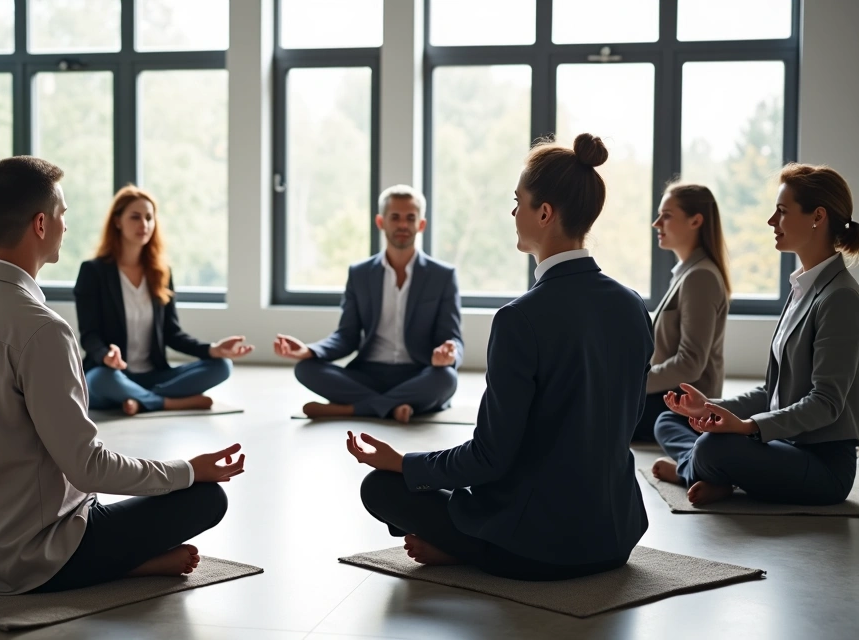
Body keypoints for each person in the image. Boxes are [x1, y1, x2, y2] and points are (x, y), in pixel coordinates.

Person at [0, 156, 245, 595]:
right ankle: (124, 566)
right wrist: (188, 470)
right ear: (41, 224)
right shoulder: (43, 329)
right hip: (27, 555)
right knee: (206, 497)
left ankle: (124, 560)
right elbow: (88, 468)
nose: (66, 225)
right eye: (62, 214)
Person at [349, 135, 651, 580]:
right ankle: (464, 545)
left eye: (518, 202)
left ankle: (469, 551)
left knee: (380, 486)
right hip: (615, 536)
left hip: (539, 547)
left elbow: (489, 459)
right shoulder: (633, 305)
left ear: (544, 213)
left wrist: (403, 463)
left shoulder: (519, 319)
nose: (513, 214)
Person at [655, 163, 859, 506]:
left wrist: (747, 426)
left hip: (822, 465)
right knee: (670, 419)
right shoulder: (802, 287)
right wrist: (708, 407)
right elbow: (771, 392)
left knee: (713, 446)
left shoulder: (840, 297)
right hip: (781, 445)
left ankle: (695, 470)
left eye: (782, 211)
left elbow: (826, 403)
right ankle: (713, 474)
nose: (771, 221)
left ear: (817, 217)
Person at [274, 185, 462, 424]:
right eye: (395, 217)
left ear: (421, 224)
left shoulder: (442, 276)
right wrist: (310, 351)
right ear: (380, 222)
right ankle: (395, 406)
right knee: (305, 368)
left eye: (410, 218)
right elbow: (346, 336)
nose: (403, 225)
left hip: (418, 373)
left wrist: (448, 355)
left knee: (446, 378)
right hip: (368, 373)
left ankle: (351, 409)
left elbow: (452, 338)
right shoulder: (359, 274)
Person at [74, 185, 252, 415]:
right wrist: (106, 356)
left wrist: (212, 349)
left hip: (155, 375)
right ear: (117, 221)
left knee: (222, 366)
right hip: (113, 374)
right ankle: (167, 402)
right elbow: (89, 336)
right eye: (135, 217)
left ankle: (140, 400)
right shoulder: (93, 272)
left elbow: (172, 334)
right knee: (99, 381)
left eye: (149, 218)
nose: (144, 224)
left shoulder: (160, 272)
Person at [635, 184, 731, 441]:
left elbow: (690, 364)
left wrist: (632, 384)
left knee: (593, 415)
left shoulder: (700, 277)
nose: (656, 223)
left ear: (695, 221)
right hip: (668, 396)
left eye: (666, 215)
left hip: (682, 406)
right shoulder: (688, 273)